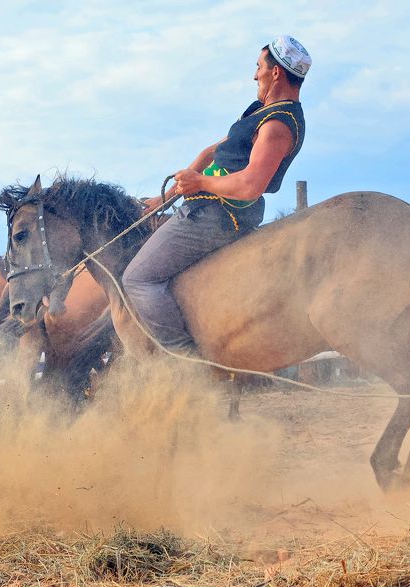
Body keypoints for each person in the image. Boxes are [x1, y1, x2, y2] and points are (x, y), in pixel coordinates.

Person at [122, 35, 309, 352]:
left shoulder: (279, 125)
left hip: (220, 214)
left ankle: (184, 361)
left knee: (137, 279)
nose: (254, 75)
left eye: (258, 67)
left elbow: (251, 185)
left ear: (275, 72)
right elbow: (215, 149)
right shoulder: (261, 110)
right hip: (209, 203)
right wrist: (169, 196)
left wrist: (201, 184)